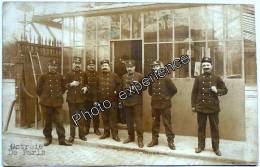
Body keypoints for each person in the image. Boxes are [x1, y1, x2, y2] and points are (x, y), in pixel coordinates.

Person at [191, 56, 228, 156]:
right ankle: (200, 146)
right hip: (201, 107)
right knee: (201, 128)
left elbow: (225, 90)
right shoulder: (198, 78)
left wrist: (217, 91)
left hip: (213, 108)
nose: (206, 67)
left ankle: (216, 148)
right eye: (204, 65)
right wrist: (193, 106)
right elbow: (194, 93)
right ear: (202, 67)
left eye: (208, 65)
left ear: (211, 66)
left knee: (214, 128)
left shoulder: (217, 78)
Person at [36, 59, 71, 146]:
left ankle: (62, 140)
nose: (53, 68)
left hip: (57, 103)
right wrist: (45, 97)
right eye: (51, 66)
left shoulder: (60, 76)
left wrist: (57, 96)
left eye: (55, 66)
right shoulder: (43, 76)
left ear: (57, 67)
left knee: (59, 122)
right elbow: (38, 90)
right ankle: (48, 138)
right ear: (48, 66)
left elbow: (63, 88)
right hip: (46, 103)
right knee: (47, 122)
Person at [147, 60, 177, 150]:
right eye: (154, 67)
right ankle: (154, 140)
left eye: (157, 66)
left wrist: (168, 97)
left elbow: (174, 90)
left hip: (165, 105)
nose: (155, 68)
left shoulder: (166, 78)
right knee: (155, 123)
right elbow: (150, 92)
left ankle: (170, 141)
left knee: (167, 123)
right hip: (155, 105)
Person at [121, 60, 144, 148]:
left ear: (134, 67)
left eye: (131, 67)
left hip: (137, 102)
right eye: (128, 67)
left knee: (138, 121)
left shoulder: (139, 76)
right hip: (127, 102)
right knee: (129, 121)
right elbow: (122, 89)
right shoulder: (123, 76)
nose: (129, 69)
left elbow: (144, 87)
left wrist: (137, 87)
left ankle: (140, 139)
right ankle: (131, 137)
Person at [65, 57, 88, 143]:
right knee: (72, 118)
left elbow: (87, 83)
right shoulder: (69, 74)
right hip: (72, 100)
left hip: (81, 99)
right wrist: (71, 84)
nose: (77, 65)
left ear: (81, 65)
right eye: (75, 63)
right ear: (73, 64)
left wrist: (86, 87)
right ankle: (72, 135)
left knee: (82, 117)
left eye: (79, 63)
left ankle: (82, 135)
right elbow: (64, 85)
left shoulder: (83, 73)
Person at [98, 59, 121, 142]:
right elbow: (96, 89)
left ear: (109, 67)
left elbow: (119, 85)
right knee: (105, 118)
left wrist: (116, 91)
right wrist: (96, 100)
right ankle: (106, 133)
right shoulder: (98, 76)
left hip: (112, 101)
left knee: (113, 119)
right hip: (102, 101)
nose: (104, 67)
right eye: (103, 66)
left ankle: (115, 135)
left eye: (106, 66)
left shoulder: (114, 75)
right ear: (101, 67)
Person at [84, 59, 101, 136]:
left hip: (96, 97)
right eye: (90, 65)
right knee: (87, 114)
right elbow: (82, 84)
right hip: (86, 98)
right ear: (87, 66)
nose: (91, 66)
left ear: (95, 66)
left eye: (93, 65)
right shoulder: (84, 74)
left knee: (96, 114)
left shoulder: (98, 74)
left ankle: (96, 129)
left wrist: (96, 98)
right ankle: (86, 128)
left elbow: (99, 86)